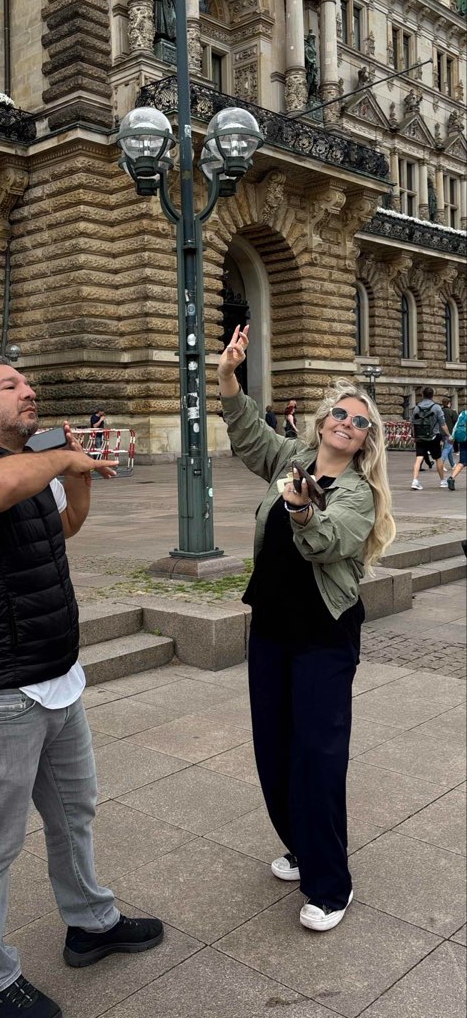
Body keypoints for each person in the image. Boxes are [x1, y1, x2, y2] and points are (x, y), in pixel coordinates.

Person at [0, 358, 163, 1018]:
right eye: (10, 386)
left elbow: (63, 531)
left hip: (57, 684)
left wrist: (78, 477)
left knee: (73, 814)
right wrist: (59, 462)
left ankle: (90, 924)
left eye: (28, 384)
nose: (28, 391)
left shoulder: (34, 474)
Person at [218, 325, 395, 933]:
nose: (347, 423)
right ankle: (302, 847)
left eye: (361, 421)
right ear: (321, 423)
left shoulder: (360, 494)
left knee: (318, 756)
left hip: (323, 635)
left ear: (366, 440)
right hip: (269, 626)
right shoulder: (289, 460)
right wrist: (228, 378)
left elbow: (327, 541)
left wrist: (300, 508)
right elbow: (250, 436)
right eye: (340, 414)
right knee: (274, 749)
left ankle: (331, 884)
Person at [410, 386, 450, 490]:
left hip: (420, 437)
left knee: (419, 458)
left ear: (422, 395)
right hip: (434, 437)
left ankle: (415, 480)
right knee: (438, 458)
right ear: (432, 395)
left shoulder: (416, 407)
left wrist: (414, 436)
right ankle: (442, 481)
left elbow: (412, 423)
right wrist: (449, 435)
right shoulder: (436, 407)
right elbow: (443, 423)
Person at [447, 408, 467, 491]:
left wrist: (452, 436)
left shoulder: (463, 413)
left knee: (462, 461)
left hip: (463, 439)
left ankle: (452, 478)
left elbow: (456, 425)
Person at [441, 396, 458, 471]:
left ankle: (453, 464)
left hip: (440, 432)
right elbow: (456, 422)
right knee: (447, 448)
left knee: (449, 448)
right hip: (450, 433)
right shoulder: (452, 411)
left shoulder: (440, 411)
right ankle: (440, 464)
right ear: (449, 403)